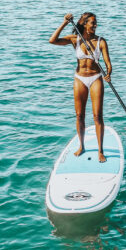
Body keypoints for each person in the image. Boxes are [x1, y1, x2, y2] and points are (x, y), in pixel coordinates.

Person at [49, 12, 112, 163]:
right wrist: (64, 22)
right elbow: (52, 40)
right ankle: (81, 146)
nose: (95, 25)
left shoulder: (101, 41)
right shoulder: (75, 39)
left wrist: (108, 74)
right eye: (92, 23)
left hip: (96, 78)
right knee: (79, 115)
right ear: (84, 24)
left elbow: (108, 64)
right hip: (80, 79)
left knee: (97, 116)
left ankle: (100, 150)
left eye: (96, 23)